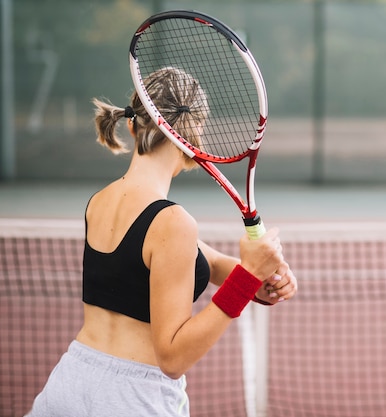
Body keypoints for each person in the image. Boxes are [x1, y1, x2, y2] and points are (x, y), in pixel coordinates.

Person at [26, 67, 297, 417]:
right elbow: (173, 358)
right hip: (132, 399)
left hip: (70, 381)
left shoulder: (101, 201)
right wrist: (247, 276)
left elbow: (203, 261)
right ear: (194, 132)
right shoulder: (172, 221)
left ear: (131, 125)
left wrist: (260, 280)